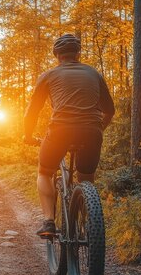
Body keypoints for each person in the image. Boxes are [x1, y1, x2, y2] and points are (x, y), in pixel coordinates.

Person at [23, 34, 115, 239]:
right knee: (86, 177)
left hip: (60, 131)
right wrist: (99, 129)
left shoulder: (49, 75)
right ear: (78, 53)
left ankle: (48, 221)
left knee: (45, 172)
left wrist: (27, 135)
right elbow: (110, 110)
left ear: (57, 55)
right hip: (92, 131)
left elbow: (32, 111)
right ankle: (88, 222)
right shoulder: (93, 73)